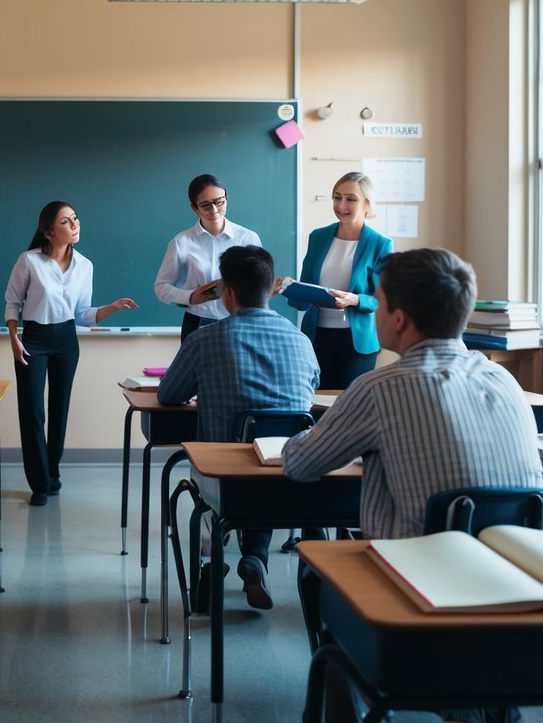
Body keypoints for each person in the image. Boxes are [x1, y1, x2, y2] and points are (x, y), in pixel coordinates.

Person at [283, 248, 543, 723]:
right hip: (513, 591)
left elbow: (301, 465)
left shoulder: (380, 387)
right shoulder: (504, 380)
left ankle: (368, 691)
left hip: (417, 592)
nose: (374, 310)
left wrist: (307, 432)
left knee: (315, 573)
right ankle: (472, 701)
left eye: (378, 302)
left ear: (398, 319)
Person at [158, 245, 319, 609]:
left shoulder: (205, 339)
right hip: (290, 480)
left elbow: (169, 394)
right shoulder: (302, 341)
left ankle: (213, 565)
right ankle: (256, 558)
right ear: (270, 289)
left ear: (227, 294)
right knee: (262, 462)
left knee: (232, 472)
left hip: (224, 483)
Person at [5, 201, 138, 506]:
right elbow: (12, 303)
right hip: (33, 338)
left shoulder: (85, 265)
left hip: (66, 338)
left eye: (76, 218)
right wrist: (13, 336)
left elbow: (82, 314)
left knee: (59, 409)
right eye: (66, 221)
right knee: (32, 411)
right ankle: (39, 483)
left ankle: (53, 473)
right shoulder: (29, 261)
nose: (75, 224)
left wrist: (112, 307)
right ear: (49, 231)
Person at [287, 172, 393, 389]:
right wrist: (289, 288)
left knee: (351, 408)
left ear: (367, 204)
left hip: (357, 343)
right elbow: (305, 289)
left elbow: (384, 300)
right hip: (316, 337)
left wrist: (355, 300)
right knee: (314, 402)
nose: (341, 204)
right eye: (337, 197)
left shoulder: (380, 244)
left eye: (351, 199)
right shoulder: (318, 236)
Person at [154, 173, 265, 341]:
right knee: (196, 367)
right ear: (194, 208)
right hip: (197, 322)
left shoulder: (247, 238)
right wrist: (191, 297)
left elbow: (258, 283)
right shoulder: (181, 242)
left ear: (226, 198)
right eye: (205, 205)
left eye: (219, 202)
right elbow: (161, 287)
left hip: (240, 321)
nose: (213, 210)